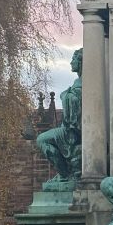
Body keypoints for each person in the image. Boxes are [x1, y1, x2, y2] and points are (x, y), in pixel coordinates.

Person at [36, 49, 82, 185]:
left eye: (74, 59)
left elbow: (77, 100)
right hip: (68, 126)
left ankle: (65, 175)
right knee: (41, 140)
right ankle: (64, 174)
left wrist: (67, 95)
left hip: (74, 128)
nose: (71, 62)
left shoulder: (86, 81)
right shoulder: (78, 81)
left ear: (81, 62)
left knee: (42, 140)